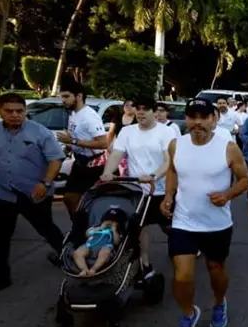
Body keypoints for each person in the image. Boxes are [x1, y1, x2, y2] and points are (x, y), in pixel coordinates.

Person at [162, 98, 248, 327]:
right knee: (182, 275)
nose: (197, 123)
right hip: (184, 221)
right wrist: (168, 196)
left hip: (216, 225)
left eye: (203, 117)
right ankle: (189, 313)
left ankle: (219, 302)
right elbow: (173, 171)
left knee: (216, 270)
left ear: (214, 119)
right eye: (192, 117)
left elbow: (245, 179)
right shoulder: (175, 144)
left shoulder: (228, 147)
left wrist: (227, 195)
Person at [0, 92, 66, 297]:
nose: (15, 115)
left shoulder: (40, 132)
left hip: (34, 192)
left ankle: (69, 259)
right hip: (2, 193)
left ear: (25, 111)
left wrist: (45, 183)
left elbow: (55, 160)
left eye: (20, 111)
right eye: (9, 111)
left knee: (47, 229)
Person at [101, 98, 177, 278]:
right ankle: (144, 263)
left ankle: (186, 242)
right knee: (140, 226)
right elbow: (116, 155)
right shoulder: (127, 132)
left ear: (153, 112)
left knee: (169, 227)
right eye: (138, 109)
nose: (141, 113)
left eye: (145, 109)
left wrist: (154, 176)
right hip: (137, 190)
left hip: (160, 188)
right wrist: (107, 173)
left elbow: (169, 160)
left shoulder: (166, 132)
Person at [57, 81, 108, 217]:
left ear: (79, 96)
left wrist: (73, 141)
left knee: (79, 199)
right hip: (79, 162)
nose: (63, 100)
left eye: (66, 96)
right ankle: (80, 228)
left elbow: (103, 143)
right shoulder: (73, 114)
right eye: (62, 97)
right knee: (69, 198)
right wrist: (70, 146)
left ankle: (85, 228)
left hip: (93, 165)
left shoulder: (89, 116)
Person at [73, 209, 124, 277]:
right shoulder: (97, 226)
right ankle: (84, 269)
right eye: (107, 220)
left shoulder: (117, 232)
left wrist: (114, 230)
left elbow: (117, 242)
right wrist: (99, 228)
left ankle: (94, 269)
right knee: (78, 253)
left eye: (113, 221)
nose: (110, 222)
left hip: (105, 246)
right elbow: (87, 234)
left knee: (105, 252)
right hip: (90, 246)